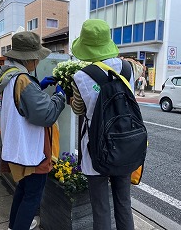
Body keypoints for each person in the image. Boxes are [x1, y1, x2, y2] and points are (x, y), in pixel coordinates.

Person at [0, 31, 65, 230]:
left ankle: (13, 225)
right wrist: (60, 97)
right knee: (32, 196)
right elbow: (46, 114)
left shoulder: (6, 75)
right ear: (30, 59)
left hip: (14, 145)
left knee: (23, 190)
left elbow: (22, 105)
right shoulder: (23, 80)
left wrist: (38, 88)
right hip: (30, 149)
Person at [70, 19, 135, 230]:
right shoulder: (128, 69)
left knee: (100, 207)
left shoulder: (81, 76)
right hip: (124, 143)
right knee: (124, 203)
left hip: (95, 147)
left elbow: (78, 110)